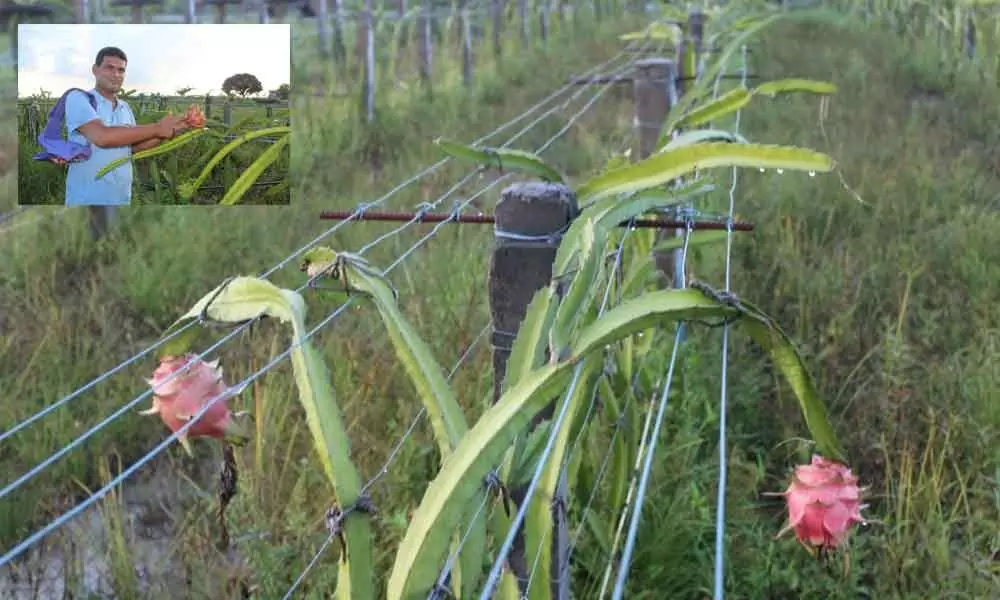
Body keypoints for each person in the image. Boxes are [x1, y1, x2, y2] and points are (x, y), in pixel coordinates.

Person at [50, 46, 192, 206]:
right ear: (95, 70)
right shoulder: (79, 99)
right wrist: (158, 127)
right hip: (87, 199)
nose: (116, 75)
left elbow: (133, 148)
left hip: (121, 199)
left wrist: (171, 132)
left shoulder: (125, 107)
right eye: (109, 68)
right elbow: (102, 137)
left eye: (121, 70)